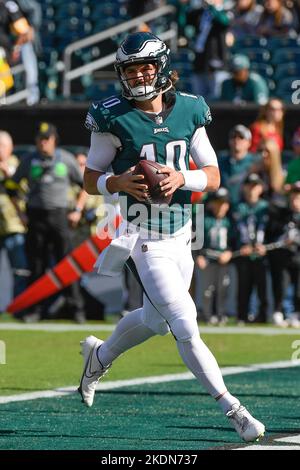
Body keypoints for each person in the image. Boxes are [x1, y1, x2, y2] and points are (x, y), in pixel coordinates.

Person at [78, 32, 265, 442]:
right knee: (184, 322)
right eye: (131, 69)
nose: (139, 75)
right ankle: (233, 409)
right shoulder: (112, 116)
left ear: (160, 66)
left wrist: (183, 176)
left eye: (145, 66)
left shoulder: (190, 109)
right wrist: (118, 182)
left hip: (183, 232)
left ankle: (99, 356)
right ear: (121, 73)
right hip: (141, 235)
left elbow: (213, 174)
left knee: (155, 322)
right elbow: (90, 178)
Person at [8, 122, 87, 323]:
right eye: (40, 139)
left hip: (60, 216)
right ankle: (35, 310)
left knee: (67, 265)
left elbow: (85, 186)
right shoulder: (29, 160)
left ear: (54, 140)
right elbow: (11, 187)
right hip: (35, 217)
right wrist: (20, 214)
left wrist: (77, 210)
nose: (43, 143)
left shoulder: (66, 160)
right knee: (36, 266)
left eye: (47, 139)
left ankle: (76, 308)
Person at [195, 187, 233, 325]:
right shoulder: (204, 220)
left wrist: (229, 252)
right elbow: (197, 240)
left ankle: (220, 313)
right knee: (207, 289)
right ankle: (207, 313)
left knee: (222, 287)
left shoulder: (230, 221)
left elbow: (234, 240)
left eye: (223, 203)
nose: (220, 207)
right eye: (217, 203)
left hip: (223, 260)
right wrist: (198, 256)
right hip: (207, 258)